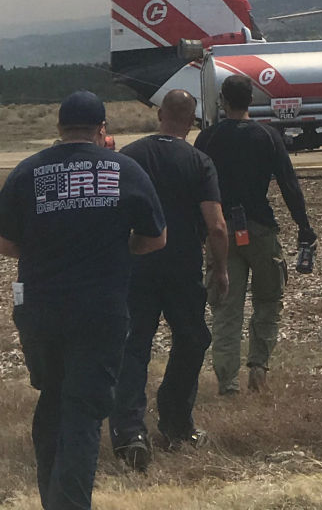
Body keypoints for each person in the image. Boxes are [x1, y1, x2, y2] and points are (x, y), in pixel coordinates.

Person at [0, 91, 166, 509]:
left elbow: (5, 239)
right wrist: (119, 248)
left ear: (58, 129)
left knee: (53, 397)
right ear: (102, 129)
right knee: (84, 410)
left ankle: (53, 498)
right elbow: (156, 237)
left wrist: (41, 252)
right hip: (99, 308)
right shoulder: (123, 170)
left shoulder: (27, 172)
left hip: (39, 309)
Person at [108, 89, 229, 470]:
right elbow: (217, 226)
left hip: (136, 267)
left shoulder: (128, 158)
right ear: (192, 122)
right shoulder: (198, 161)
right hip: (182, 269)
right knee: (193, 340)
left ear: (160, 115)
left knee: (133, 347)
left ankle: (129, 433)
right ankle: (176, 423)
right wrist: (220, 268)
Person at [195, 75, 317, 395]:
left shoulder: (207, 139)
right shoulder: (267, 135)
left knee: (225, 306)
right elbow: (289, 185)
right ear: (252, 100)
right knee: (268, 298)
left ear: (224, 100)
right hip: (260, 228)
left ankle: (227, 383)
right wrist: (304, 227)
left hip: (220, 231)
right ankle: (259, 368)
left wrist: (198, 233)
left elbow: (195, 190)